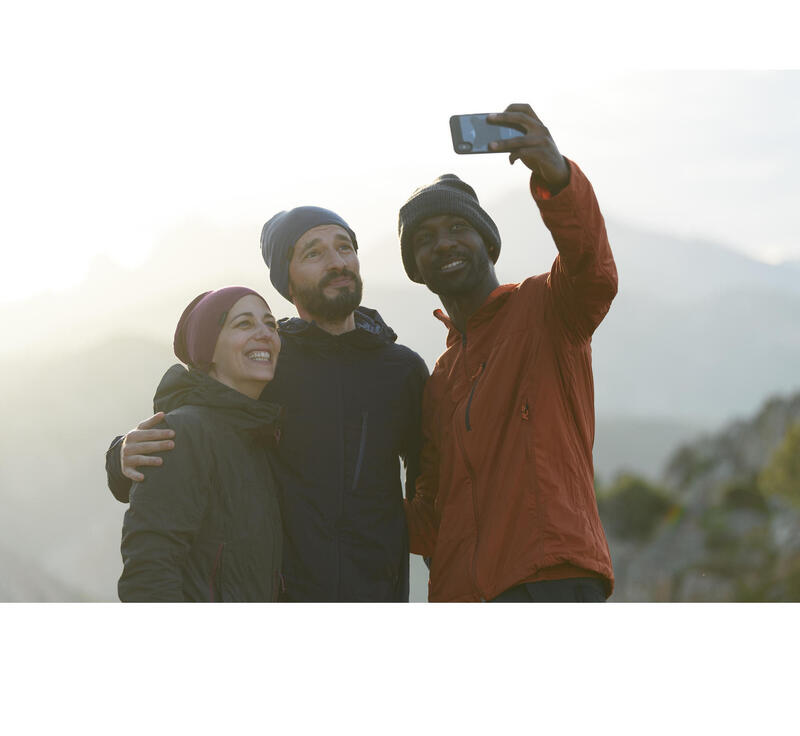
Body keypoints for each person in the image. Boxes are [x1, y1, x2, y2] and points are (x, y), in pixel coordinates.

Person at [107, 208, 428, 601]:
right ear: (286, 281)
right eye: (313, 253)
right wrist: (121, 453)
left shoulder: (403, 370)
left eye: (345, 247)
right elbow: (200, 403)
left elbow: (431, 489)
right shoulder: (270, 360)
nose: (337, 262)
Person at [399, 103, 617, 602]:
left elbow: (593, 269)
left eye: (458, 228)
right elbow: (432, 519)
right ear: (415, 267)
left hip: (550, 578)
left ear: (487, 243)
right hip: (464, 595)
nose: (444, 243)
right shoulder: (439, 378)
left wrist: (556, 176)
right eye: (425, 238)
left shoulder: (546, 306)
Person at [119, 286, 284, 602]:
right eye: (244, 324)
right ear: (208, 348)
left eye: (271, 324)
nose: (265, 333)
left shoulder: (259, 435)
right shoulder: (182, 434)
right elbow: (148, 574)